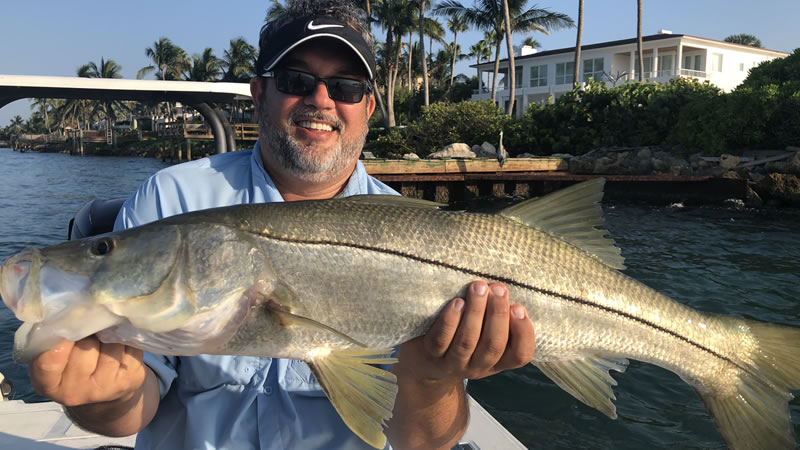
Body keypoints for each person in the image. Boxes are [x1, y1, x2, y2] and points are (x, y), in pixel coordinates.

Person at [27, 1, 536, 448]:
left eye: (346, 86)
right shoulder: (174, 199)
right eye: (296, 80)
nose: (321, 99)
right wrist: (104, 398)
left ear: (369, 108)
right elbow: (136, 403)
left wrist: (432, 383)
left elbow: (422, 444)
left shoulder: (418, 231)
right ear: (258, 93)